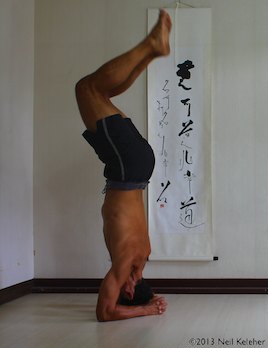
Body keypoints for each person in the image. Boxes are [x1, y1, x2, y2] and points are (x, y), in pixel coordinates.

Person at [75, 9, 172, 322]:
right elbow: (105, 313)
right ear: (129, 290)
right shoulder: (128, 260)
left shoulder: (141, 258)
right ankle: (150, 46)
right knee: (88, 89)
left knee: (97, 90)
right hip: (128, 167)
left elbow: (132, 291)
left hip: (132, 167)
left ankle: (151, 51)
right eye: (124, 289)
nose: (117, 285)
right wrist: (144, 308)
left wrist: (148, 297)